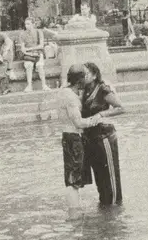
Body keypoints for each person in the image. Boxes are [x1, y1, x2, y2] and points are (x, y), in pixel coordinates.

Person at [60, 64, 109, 216]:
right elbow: (79, 123)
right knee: (73, 180)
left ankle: (75, 210)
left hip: (69, 136)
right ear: (80, 80)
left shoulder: (65, 91)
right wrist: (96, 119)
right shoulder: (71, 98)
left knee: (73, 178)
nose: (86, 79)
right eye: (84, 76)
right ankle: (74, 213)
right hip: (73, 137)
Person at [81, 62, 125, 206]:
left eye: (85, 74)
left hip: (104, 137)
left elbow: (121, 108)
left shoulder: (102, 89)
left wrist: (101, 114)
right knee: (99, 176)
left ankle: (115, 206)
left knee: (110, 176)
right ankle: (104, 205)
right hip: (90, 138)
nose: (82, 77)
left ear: (94, 75)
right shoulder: (83, 90)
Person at [17, 17, 49, 92]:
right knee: (29, 65)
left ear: (33, 24)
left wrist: (29, 49)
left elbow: (41, 46)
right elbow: (23, 49)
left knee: (40, 66)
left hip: (38, 53)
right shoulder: (22, 34)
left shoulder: (39, 32)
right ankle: (29, 86)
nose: (26, 26)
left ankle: (44, 85)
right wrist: (28, 52)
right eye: (25, 24)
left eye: (28, 24)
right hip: (28, 55)